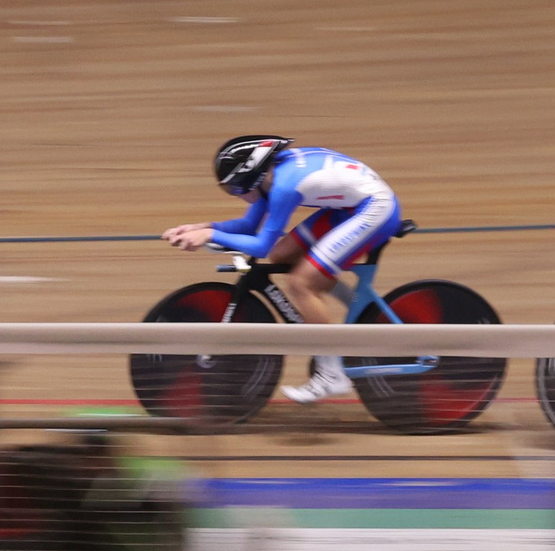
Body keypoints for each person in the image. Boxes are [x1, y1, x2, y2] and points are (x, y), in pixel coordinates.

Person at [161, 135, 402, 406]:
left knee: (301, 283)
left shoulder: (284, 186)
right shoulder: (269, 176)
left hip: (374, 210)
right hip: (350, 207)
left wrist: (210, 235)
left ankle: (332, 372)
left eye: (235, 190)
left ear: (250, 176)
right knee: (282, 255)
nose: (237, 196)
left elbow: (260, 245)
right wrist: (199, 228)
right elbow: (249, 227)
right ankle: (359, 310)